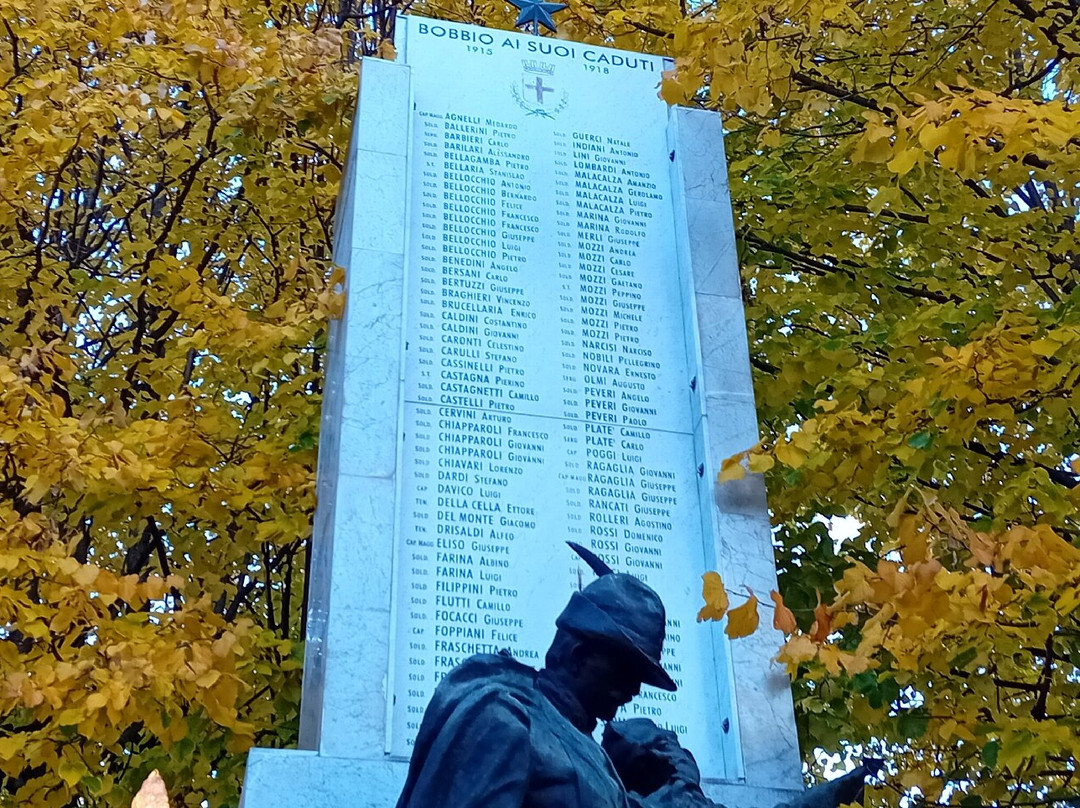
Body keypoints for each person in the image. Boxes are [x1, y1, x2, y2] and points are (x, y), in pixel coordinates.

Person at [396, 543, 879, 808]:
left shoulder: (593, 760)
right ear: (581, 654)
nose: (630, 692)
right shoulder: (503, 719)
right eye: (625, 672)